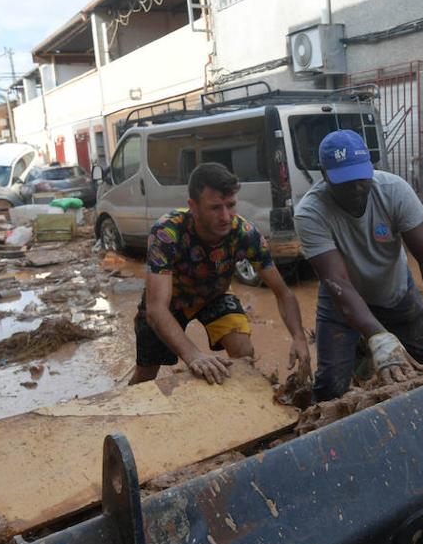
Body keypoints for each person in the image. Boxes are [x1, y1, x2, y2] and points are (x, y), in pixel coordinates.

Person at [295, 130, 423, 402]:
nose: (357, 189)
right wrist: (379, 337)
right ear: (324, 174)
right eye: (346, 182)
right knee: (331, 387)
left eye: (361, 179)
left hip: (395, 292)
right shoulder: (310, 212)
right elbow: (337, 281)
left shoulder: (393, 191)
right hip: (341, 301)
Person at [132, 162, 311, 386]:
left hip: (212, 296)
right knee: (146, 376)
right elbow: (156, 310)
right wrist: (193, 355)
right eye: (215, 208)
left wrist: (299, 338)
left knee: (243, 353)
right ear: (193, 206)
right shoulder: (167, 232)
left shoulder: (245, 234)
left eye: (231, 205)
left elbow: (283, 293)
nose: (226, 216)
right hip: (170, 304)